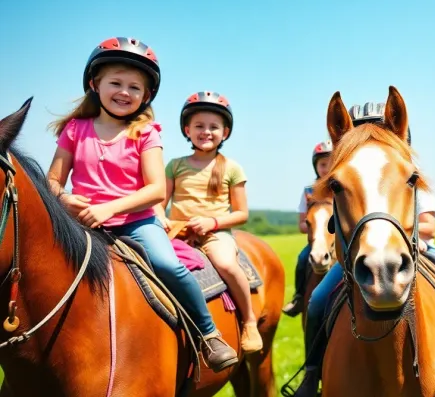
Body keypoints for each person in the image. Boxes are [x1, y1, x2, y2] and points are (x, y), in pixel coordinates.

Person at [46, 37, 238, 373]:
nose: (124, 92)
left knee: (167, 265)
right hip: (81, 222)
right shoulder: (75, 130)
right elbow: (52, 182)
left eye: (135, 87)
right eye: (115, 83)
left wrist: (109, 208)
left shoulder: (146, 132)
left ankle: (209, 334)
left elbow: (154, 190)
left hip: (136, 222)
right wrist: (64, 199)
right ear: (95, 85)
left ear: (146, 96)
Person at [291, 102, 435, 397]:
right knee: (318, 300)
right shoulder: (351, 177)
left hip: (418, 250)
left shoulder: (409, 175)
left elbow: (429, 227)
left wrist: (401, 235)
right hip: (358, 253)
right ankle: (311, 373)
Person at [156, 91, 262, 354]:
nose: (206, 132)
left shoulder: (232, 168)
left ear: (224, 132)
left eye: (213, 127)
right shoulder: (174, 165)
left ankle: (249, 321)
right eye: (199, 126)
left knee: (226, 262)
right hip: (177, 231)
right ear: (187, 130)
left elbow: (241, 214)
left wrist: (211, 222)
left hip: (215, 233)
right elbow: (160, 201)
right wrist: (164, 220)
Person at [282, 139, 334, 317]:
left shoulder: (342, 188)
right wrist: (315, 227)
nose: (326, 168)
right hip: (316, 241)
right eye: (322, 164)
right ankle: (298, 297)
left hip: (338, 242)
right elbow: (302, 224)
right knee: (303, 258)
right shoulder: (308, 191)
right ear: (316, 166)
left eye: (331, 163)